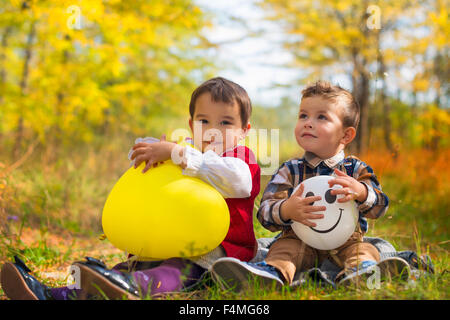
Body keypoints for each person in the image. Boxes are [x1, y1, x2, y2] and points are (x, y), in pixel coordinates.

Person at [0, 77, 261, 300]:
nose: (213, 131)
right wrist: (154, 151)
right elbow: (140, 160)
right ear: (192, 125)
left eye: (225, 123)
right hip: (163, 239)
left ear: (244, 130)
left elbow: (238, 182)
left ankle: (133, 288)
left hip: (216, 250)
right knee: (121, 269)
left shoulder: (240, 158)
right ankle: (54, 293)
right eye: (204, 121)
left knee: (173, 270)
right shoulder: (184, 149)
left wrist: (179, 154)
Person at [211, 80, 410, 290]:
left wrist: (361, 192)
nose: (307, 122)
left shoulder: (356, 170)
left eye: (321, 117)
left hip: (347, 242)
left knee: (364, 250)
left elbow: (381, 206)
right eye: (303, 115)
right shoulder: (290, 170)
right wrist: (286, 209)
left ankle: (364, 272)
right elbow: (265, 214)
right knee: (283, 250)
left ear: (346, 134)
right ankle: (271, 274)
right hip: (299, 240)